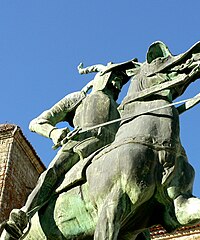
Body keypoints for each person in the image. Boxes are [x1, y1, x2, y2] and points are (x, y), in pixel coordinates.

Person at [4, 59, 138, 239]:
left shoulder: (121, 110)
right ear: (103, 78)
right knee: (52, 173)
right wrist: (53, 132)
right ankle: (23, 216)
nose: (118, 84)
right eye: (115, 77)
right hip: (80, 146)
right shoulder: (79, 98)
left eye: (121, 80)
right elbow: (36, 122)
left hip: (111, 153)